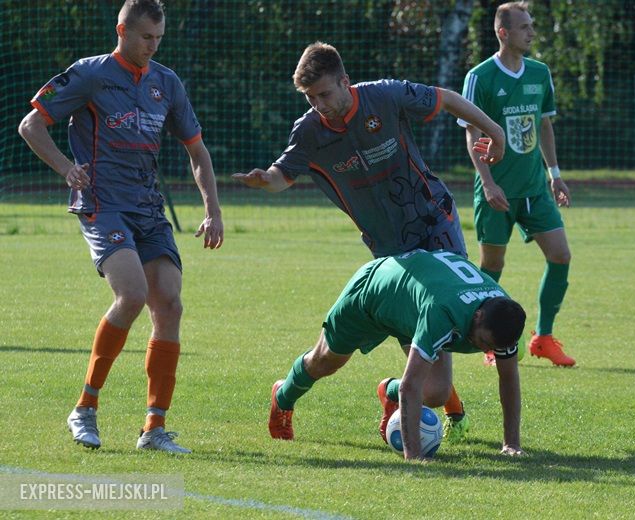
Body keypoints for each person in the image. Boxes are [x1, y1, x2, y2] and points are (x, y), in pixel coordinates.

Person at [233, 41, 507, 441]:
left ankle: (400, 394)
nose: (319, 105)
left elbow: (446, 98)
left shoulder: (385, 95)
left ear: (346, 81)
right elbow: (281, 176)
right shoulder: (309, 131)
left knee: (433, 386)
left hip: (437, 226)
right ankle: (285, 393)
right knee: (329, 358)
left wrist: (495, 131)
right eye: (310, 98)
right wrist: (264, 181)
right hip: (393, 258)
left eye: (325, 94)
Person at [18, 0, 224, 453]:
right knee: (131, 294)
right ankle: (85, 408)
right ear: (122, 31)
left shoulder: (166, 83)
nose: (152, 47)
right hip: (102, 204)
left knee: (168, 305)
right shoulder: (90, 74)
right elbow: (31, 124)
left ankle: (154, 429)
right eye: (145, 37)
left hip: (148, 209)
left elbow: (198, 151)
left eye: (158, 39)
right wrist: (66, 168)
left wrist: (214, 210)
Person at [266, 249, 527, 460]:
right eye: (483, 342)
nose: (484, 350)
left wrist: (511, 444)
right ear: (478, 315)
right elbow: (411, 386)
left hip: (412, 307)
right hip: (373, 294)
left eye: (491, 348)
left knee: (437, 391)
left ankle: (387, 391)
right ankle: (283, 396)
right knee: (324, 362)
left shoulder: (504, 318)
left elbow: (509, 378)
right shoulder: (443, 313)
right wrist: (413, 455)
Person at [459, 1, 575, 367]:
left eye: (531, 25)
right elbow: (472, 134)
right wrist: (488, 182)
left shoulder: (540, 73)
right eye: (524, 27)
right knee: (492, 266)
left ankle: (542, 337)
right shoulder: (480, 77)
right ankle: (490, 341)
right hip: (497, 191)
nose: (532, 32)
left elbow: (543, 126)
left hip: (535, 189)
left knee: (561, 256)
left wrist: (555, 175)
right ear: (503, 32)